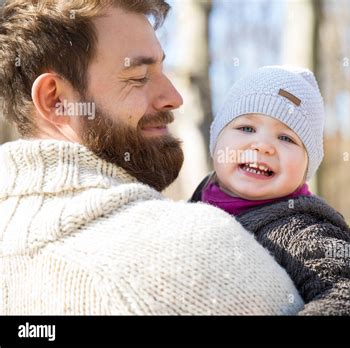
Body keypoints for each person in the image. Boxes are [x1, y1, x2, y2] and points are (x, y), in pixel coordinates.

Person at [0, 0, 304, 315]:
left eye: (162, 70)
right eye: (139, 76)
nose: (173, 98)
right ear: (56, 99)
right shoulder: (194, 251)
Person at [191, 66, 350, 315]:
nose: (263, 146)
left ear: (307, 166)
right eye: (247, 128)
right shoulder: (198, 200)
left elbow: (348, 297)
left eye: (286, 138)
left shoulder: (302, 230)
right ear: (216, 139)